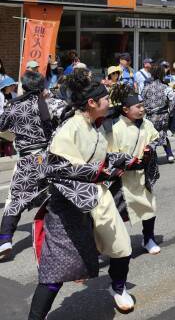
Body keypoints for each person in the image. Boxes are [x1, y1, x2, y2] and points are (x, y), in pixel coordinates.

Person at [28, 69, 137, 318]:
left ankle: (117, 288)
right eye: (106, 99)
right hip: (67, 205)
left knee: (121, 247)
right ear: (91, 103)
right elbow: (55, 167)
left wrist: (121, 162)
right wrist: (98, 172)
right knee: (54, 272)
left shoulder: (95, 125)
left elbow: (102, 159)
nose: (110, 102)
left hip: (98, 197)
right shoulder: (71, 127)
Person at [0, 72, 68, 260]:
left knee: (16, 200)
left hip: (28, 160)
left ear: (24, 87)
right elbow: (68, 118)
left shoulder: (14, 106)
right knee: (54, 198)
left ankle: (5, 239)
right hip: (50, 158)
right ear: (43, 86)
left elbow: (1, 126)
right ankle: (59, 238)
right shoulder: (51, 103)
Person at [109, 82, 162, 255]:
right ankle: (111, 244)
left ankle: (149, 238)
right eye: (138, 107)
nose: (141, 110)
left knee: (149, 208)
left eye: (142, 106)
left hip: (142, 175)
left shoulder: (146, 124)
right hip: (123, 178)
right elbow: (110, 154)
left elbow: (157, 138)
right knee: (114, 214)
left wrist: (151, 148)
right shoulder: (116, 129)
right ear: (125, 109)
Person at [140, 62, 175, 163]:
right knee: (163, 135)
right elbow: (173, 101)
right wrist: (171, 113)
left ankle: (153, 157)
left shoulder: (146, 88)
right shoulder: (166, 88)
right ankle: (169, 154)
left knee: (151, 137)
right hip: (163, 116)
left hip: (149, 116)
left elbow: (141, 100)